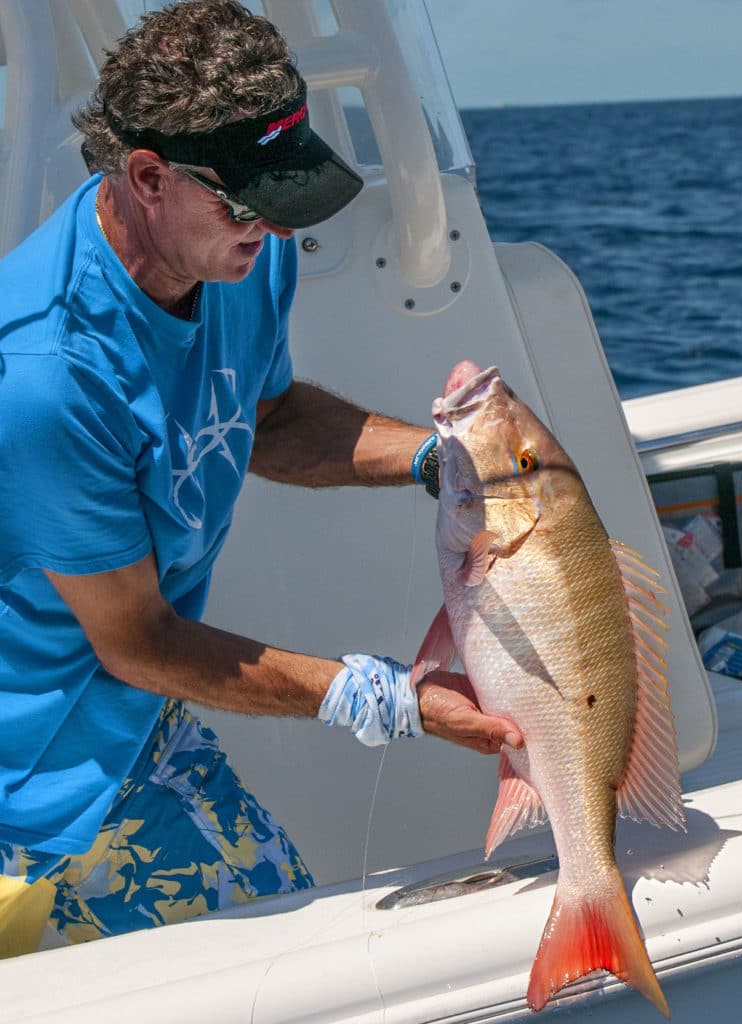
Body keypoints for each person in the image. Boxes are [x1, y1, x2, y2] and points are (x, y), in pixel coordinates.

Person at [0, 0, 521, 958]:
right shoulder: (45, 375)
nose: (270, 230)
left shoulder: (241, 261)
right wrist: (381, 698)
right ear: (148, 176)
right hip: (26, 789)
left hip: (135, 733)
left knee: (294, 967)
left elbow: (264, 419)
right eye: (246, 203)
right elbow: (139, 640)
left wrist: (440, 460)